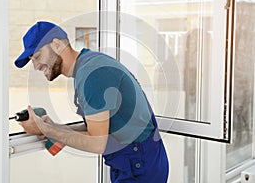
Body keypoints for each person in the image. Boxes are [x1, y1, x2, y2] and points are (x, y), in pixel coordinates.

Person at [14, 21, 169, 183]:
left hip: (140, 165)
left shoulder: (91, 75)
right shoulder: (88, 64)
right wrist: (55, 128)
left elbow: (97, 143)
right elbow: (97, 126)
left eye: (37, 56)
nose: (36, 66)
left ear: (57, 45)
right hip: (135, 161)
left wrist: (45, 129)